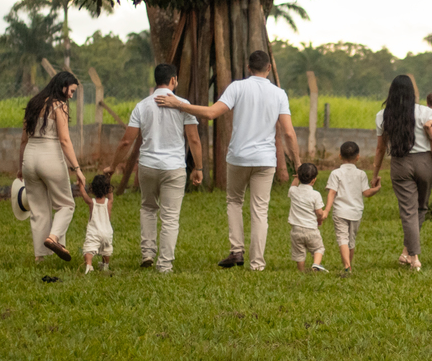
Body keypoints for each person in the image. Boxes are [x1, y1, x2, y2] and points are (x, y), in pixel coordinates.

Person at [157, 50, 301, 271]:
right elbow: (289, 133)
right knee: (260, 210)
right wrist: (297, 163)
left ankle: (236, 251)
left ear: (248, 67)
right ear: (269, 68)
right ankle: (257, 263)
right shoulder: (279, 94)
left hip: (238, 157)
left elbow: (211, 113)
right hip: (265, 159)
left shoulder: (237, 87)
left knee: (234, 202)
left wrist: (179, 104)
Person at [106, 63, 203, 272]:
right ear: (173, 80)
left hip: (148, 166)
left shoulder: (142, 106)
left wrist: (113, 166)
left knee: (148, 208)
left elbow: (126, 141)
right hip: (174, 167)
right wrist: (199, 167)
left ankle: (148, 253)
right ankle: (165, 264)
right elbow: (194, 139)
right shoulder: (183, 105)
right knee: (170, 217)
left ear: (156, 80)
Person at [370, 75, 432, 271]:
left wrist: (375, 173)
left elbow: (380, 148)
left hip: (400, 164)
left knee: (409, 212)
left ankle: (409, 254)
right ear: (412, 92)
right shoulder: (424, 112)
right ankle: (413, 256)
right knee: (421, 208)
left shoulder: (382, 115)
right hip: (424, 163)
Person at [17, 70, 86, 262]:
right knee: (66, 205)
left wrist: (20, 167)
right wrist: (77, 169)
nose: (71, 96)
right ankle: (53, 238)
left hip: (30, 158)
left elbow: (23, 140)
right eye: (71, 91)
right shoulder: (59, 106)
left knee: (38, 210)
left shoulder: (33, 104)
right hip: (50, 157)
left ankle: (40, 257)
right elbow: (64, 140)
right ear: (62, 87)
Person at [322, 141, 381, 272]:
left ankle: (347, 266)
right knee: (351, 240)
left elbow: (332, 192)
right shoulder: (361, 174)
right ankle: (349, 265)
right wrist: (377, 188)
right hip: (356, 213)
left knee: (342, 238)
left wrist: (326, 210)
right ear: (358, 157)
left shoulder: (336, 173)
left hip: (340, 212)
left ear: (340, 156)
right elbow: (367, 193)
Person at [288, 162, 327, 272]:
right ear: (314, 180)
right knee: (318, 248)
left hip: (296, 230)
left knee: (299, 254)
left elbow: (293, 186)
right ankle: (316, 264)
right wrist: (322, 215)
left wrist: (296, 178)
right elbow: (319, 212)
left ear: (299, 177)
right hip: (311, 229)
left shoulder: (293, 191)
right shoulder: (316, 195)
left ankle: (301, 271)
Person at [79, 172, 114, 274]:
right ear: (107, 189)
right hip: (107, 231)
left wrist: (81, 183)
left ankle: (89, 265)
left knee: (89, 249)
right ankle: (105, 265)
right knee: (106, 250)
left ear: (93, 189)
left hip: (94, 231)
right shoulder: (109, 202)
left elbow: (83, 193)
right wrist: (109, 178)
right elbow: (111, 195)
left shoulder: (91, 202)